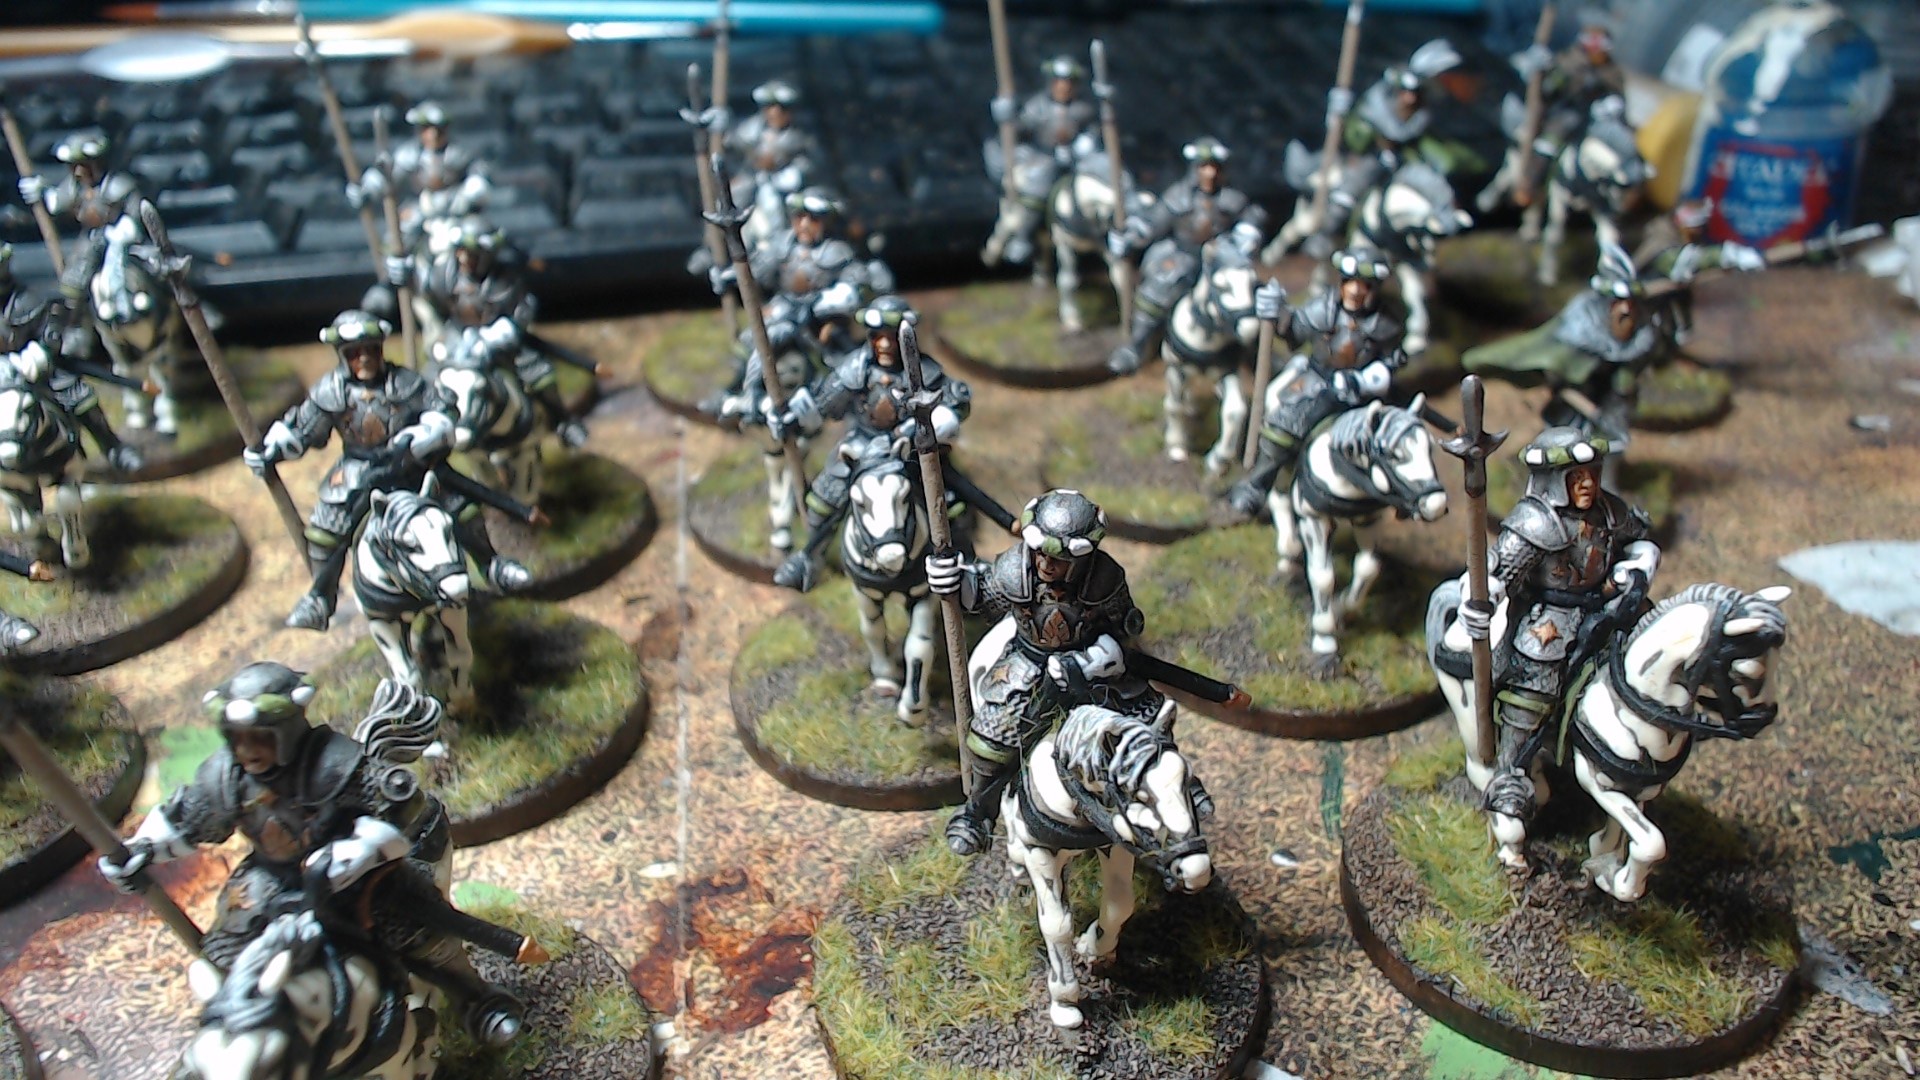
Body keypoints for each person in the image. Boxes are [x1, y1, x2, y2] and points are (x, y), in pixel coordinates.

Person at [97, 664, 525, 1046]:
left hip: (360, 876)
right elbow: (185, 818)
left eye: (259, 737)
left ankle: (479, 1001)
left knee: (417, 932)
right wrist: (142, 849)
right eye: (238, 738)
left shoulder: (335, 762)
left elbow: (401, 812)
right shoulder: (226, 776)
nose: (247, 750)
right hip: (271, 878)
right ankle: (263, 1034)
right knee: (227, 953)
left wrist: (359, 850)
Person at [926, 490, 1190, 856]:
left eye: (1059, 559)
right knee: (991, 738)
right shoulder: (1015, 568)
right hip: (1028, 664)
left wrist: (1099, 658)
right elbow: (982, 598)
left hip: (1091, 665)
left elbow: (1124, 625)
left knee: (1146, 721)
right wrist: (954, 581)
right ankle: (979, 813)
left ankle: (1174, 794)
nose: (1047, 565)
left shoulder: (1105, 577)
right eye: (1042, 554)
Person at [243, 310, 529, 630]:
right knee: (327, 527)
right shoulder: (331, 390)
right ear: (342, 355)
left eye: (370, 349)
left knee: (459, 509)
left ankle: (491, 565)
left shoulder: (405, 382)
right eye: (355, 353)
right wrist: (272, 449)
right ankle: (321, 597)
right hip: (358, 468)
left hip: (409, 463)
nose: (364, 358)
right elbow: (304, 428)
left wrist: (425, 434)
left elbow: (442, 408)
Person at [1456, 428, 1658, 821]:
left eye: (1591, 473)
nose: (1587, 483)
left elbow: (1639, 540)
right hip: (1550, 618)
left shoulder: (1609, 511)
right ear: (1554, 479)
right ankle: (1511, 774)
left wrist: (1637, 568)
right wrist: (1483, 600)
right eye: (1576, 476)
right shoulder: (1535, 522)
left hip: (1608, 606)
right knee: (1536, 682)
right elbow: (1499, 572)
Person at [770, 296, 973, 590]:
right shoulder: (856, 368)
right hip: (861, 448)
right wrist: (793, 419)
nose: (886, 344)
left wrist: (936, 421)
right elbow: (824, 402)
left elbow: (956, 399)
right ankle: (813, 559)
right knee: (823, 503)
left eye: (892, 337)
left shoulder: (924, 371)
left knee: (951, 506)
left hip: (912, 451)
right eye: (879, 337)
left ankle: (962, 567)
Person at [1225, 249, 1409, 518]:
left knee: (1398, 438)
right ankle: (1257, 485)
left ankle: (1404, 497)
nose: (1355, 291)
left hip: (1364, 392)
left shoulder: (1386, 322)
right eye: (1350, 282)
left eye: (1364, 285)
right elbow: (1295, 330)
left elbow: (1391, 363)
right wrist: (1278, 313)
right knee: (1284, 424)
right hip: (1320, 380)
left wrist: (1362, 380)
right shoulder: (1325, 308)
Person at [401, 216, 587, 448]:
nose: (464, 259)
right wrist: (407, 275)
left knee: (539, 373)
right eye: (461, 252)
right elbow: (426, 288)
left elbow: (520, 314)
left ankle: (562, 421)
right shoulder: (446, 273)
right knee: (429, 376)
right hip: (456, 338)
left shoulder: (506, 281)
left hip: (497, 342)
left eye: (472, 254)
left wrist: (492, 338)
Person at [1107, 138, 1267, 374]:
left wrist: (1248, 231)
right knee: (1158, 287)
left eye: (1215, 167)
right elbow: (1154, 222)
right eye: (1204, 166)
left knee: (1248, 295)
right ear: (1194, 169)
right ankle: (1137, 345)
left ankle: (1257, 354)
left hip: (1221, 258)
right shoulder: (1178, 196)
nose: (1210, 173)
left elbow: (1252, 216)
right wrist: (1130, 236)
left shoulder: (1233, 199)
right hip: (1184, 254)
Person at [0, 243, 142, 474]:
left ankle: (112, 447)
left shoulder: (26, 300)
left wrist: (40, 352)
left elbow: (50, 332)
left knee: (77, 394)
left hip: (35, 368)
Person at [981, 55, 1099, 267]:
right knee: (1039, 183)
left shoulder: (1084, 110)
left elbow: (1091, 133)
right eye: (1059, 82)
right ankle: (1023, 237)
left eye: (1069, 83)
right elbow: (1020, 130)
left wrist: (1082, 146)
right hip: (1042, 158)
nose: (1063, 88)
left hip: (1074, 160)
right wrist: (1008, 118)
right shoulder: (1037, 107)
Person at [348, 101, 490, 247]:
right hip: (421, 208)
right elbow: (387, 175)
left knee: (473, 233)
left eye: (439, 129)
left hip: (454, 208)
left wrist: (473, 190)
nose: (433, 135)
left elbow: (478, 174)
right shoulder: (409, 155)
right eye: (427, 128)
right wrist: (366, 189)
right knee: (402, 232)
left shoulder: (459, 154)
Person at [1633, 198, 1766, 345]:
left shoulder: (1684, 237)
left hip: (1671, 298)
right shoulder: (1661, 238)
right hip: (1647, 298)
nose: (1699, 231)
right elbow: (1684, 262)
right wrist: (1728, 255)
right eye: (1696, 226)